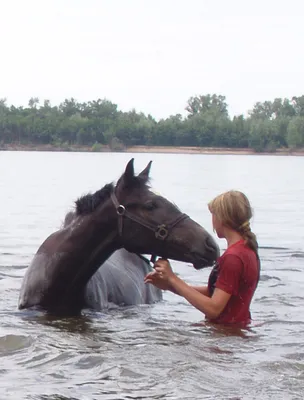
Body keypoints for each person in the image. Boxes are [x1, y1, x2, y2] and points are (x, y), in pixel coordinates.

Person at [144, 190, 260, 326]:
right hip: (237, 333)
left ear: (223, 218)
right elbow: (213, 292)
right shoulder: (248, 250)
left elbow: (213, 309)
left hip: (223, 337)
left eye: (213, 215)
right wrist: (170, 285)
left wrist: (173, 278)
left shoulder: (232, 257)